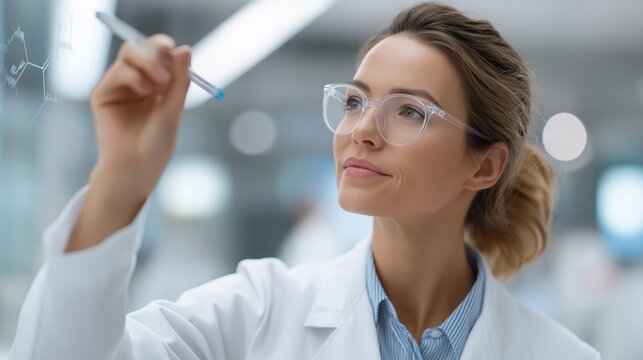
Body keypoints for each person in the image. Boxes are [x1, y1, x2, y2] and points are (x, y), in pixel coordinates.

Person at [9, 2, 600, 359]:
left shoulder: (562, 356)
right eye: (354, 102)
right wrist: (120, 179)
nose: (361, 131)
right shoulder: (256, 315)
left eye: (410, 111)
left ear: (484, 165)